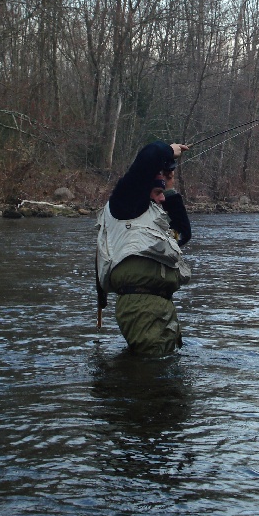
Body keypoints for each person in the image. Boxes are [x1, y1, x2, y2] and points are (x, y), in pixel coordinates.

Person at [95, 140, 192, 356]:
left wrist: (169, 186)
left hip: (160, 308)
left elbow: (182, 233)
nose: (162, 198)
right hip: (142, 307)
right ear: (143, 189)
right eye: (158, 192)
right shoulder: (125, 203)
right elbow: (150, 154)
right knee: (152, 379)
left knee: (161, 374)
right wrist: (170, 150)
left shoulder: (151, 221)